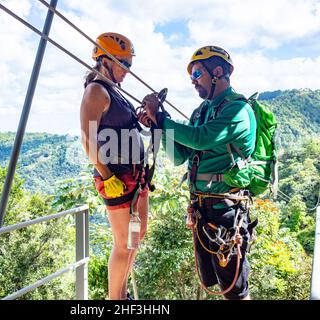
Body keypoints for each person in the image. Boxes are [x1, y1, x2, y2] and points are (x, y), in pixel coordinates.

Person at [141, 46, 257, 300]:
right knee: (214, 278)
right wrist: (159, 125)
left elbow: (202, 138)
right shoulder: (201, 112)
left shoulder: (238, 111)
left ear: (217, 72)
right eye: (191, 76)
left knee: (235, 288)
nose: (192, 81)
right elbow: (180, 156)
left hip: (227, 210)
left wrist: (162, 121)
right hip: (203, 210)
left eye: (196, 73)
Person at [80, 32, 150, 300]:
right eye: (124, 63)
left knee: (136, 237)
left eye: (130, 64)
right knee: (123, 243)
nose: (128, 70)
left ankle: (121, 295)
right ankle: (115, 299)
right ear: (105, 60)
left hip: (134, 176)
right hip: (118, 178)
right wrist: (108, 176)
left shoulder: (114, 92)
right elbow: (88, 138)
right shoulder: (96, 91)